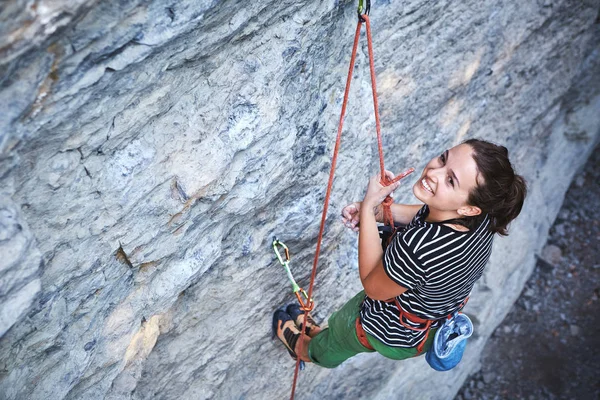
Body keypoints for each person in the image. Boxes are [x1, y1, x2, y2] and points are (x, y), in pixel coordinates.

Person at [273, 138, 527, 368]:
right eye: (442, 158)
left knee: (343, 333)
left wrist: (369, 207)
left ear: (470, 208)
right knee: (339, 327)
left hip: (391, 330)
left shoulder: (419, 247)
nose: (434, 172)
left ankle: (304, 348)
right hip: (429, 321)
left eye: (451, 180)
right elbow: (433, 215)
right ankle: (319, 334)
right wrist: (381, 213)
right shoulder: (482, 221)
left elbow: (374, 286)